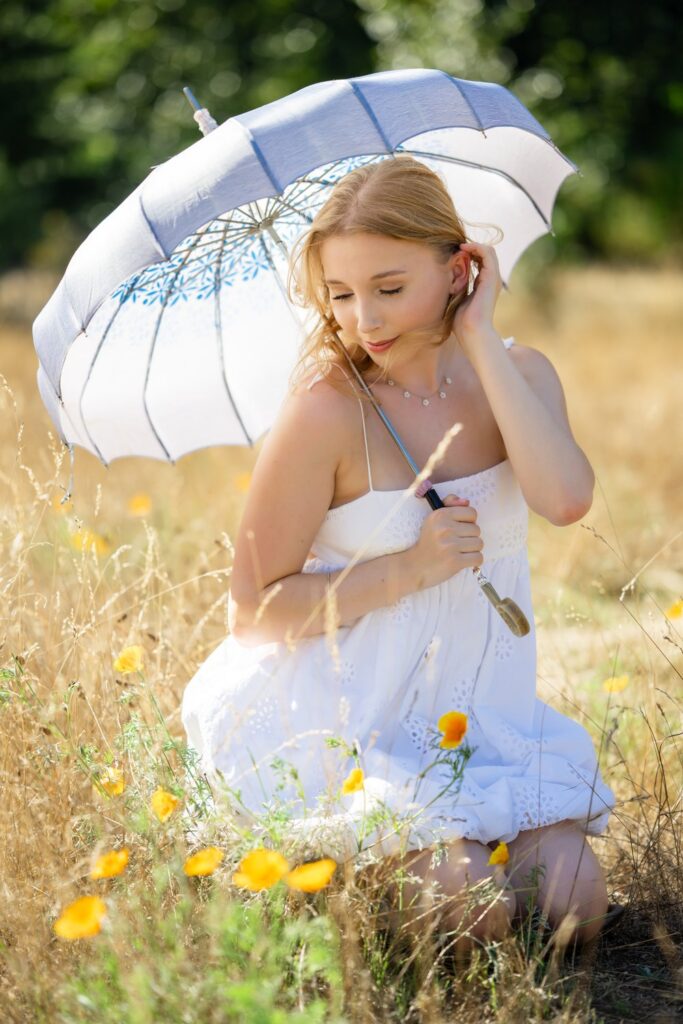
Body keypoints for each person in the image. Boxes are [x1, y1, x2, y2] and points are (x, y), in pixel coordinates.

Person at [181, 155, 616, 956]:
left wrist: (479, 337)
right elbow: (252, 610)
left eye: (388, 287)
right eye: (338, 295)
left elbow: (564, 500)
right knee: (466, 912)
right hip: (347, 726)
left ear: (458, 269)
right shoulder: (324, 412)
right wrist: (405, 570)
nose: (362, 319)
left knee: (572, 905)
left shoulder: (516, 373)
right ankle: (347, 886)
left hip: (476, 716)